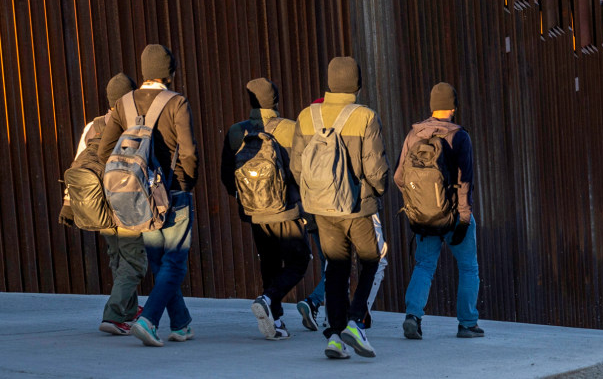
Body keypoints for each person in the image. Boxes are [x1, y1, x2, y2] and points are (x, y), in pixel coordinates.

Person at [92, 44, 199, 347]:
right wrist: (186, 185)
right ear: (169, 72)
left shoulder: (124, 103)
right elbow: (188, 151)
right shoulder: (176, 102)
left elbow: (104, 151)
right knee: (175, 262)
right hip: (172, 193)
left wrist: (128, 180)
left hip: (139, 199)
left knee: (161, 262)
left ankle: (180, 324)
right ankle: (148, 320)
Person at [292, 57, 389, 359]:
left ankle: (334, 336)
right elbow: (376, 169)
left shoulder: (307, 116)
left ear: (330, 82)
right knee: (372, 260)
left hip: (322, 208)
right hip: (357, 208)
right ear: (357, 84)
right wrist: (378, 189)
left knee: (336, 268)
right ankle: (356, 322)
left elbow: (297, 167)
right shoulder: (365, 116)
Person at [220, 78, 311, 341]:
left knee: (269, 262)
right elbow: (301, 171)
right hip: (285, 210)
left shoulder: (236, 131)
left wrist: (245, 199)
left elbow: (227, 173)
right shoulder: (292, 129)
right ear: (276, 101)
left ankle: (276, 319)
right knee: (299, 260)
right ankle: (269, 298)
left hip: (254, 211)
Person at [60, 73, 147, 336]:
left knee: (116, 256)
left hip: (96, 203)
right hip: (126, 202)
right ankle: (114, 314)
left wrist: (68, 204)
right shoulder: (137, 123)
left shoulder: (93, 126)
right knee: (134, 261)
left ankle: (128, 311)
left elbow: (78, 164)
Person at [399, 82, 484, 340]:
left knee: (424, 264)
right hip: (455, 216)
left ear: (432, 107)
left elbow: (400, 178)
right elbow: (465, 181)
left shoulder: (415, 134)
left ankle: (413, 316)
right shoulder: (459, 136)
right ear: (454, 107)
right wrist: (465, 217)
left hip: (424, 217)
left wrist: (418, 206)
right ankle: (467, 324)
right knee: (468, 267)